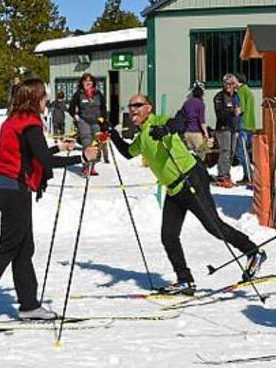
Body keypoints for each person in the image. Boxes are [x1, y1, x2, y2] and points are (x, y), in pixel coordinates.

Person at [0, 77, 101, 328]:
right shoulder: (31, 124)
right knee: (8, 247)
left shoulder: (12, 121)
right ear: (34, 99)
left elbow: (30, 154)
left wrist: (58, 148)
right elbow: (43, 161)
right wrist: (81, 157)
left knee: (23, 247)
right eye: (43, 97)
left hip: (2, 185)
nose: (46, 101)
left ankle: (29, 305)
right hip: (13, 188)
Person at [104, 94, 264, 295]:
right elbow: (128, 152)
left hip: (190, 179)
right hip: (174, 189)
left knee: (214, 227)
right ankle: (185, 280)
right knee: (168, 236)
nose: (133, 109)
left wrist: (166, 130)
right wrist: (113, 134)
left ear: (149, 108)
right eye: (130, 106)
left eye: (137, 105)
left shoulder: (158, 121)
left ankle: (253, 252)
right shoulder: (142, 135)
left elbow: (178, 123)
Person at [68, 72, 108, 176]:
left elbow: (103, 108)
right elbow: (71, 107)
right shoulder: (79, 94)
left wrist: (104, 120)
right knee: (87, 143)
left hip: (96, 121)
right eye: (85, 81)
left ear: (93, 83)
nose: (88, 83)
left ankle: (92, 166)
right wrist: (75, 116)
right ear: (82, 83)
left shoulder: (98, 94)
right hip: (84, 121)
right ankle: (86, 166)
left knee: (96, 144)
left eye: (90, 81)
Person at [212, 74, 238, 188]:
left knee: (231, 152)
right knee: (225, 152)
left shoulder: (235, 96)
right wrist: (232, 112)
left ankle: (227, 174)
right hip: (223, 128)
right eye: (226, 84)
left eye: (231, 84)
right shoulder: (219, 96)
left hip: (232, 128)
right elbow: (220, 114)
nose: (228, 86)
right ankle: (222, 176)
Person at [234, 73, 256, 186]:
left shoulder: (241, 91)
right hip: (250, 126)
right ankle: (247, 175)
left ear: (239, 81)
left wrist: (235, 111)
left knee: (240, 152)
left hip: (243, 126)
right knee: (246, 151)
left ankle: (250, 176)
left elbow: (240, 108)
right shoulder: (249, 91)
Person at [181, 81, 210, 160]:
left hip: (186, 132)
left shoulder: (186, 103)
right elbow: (201, 121)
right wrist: (206, 133)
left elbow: (182, 117)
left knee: (189, 156)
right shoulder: (201, 104)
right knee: (201, 154)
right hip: (196, 132)